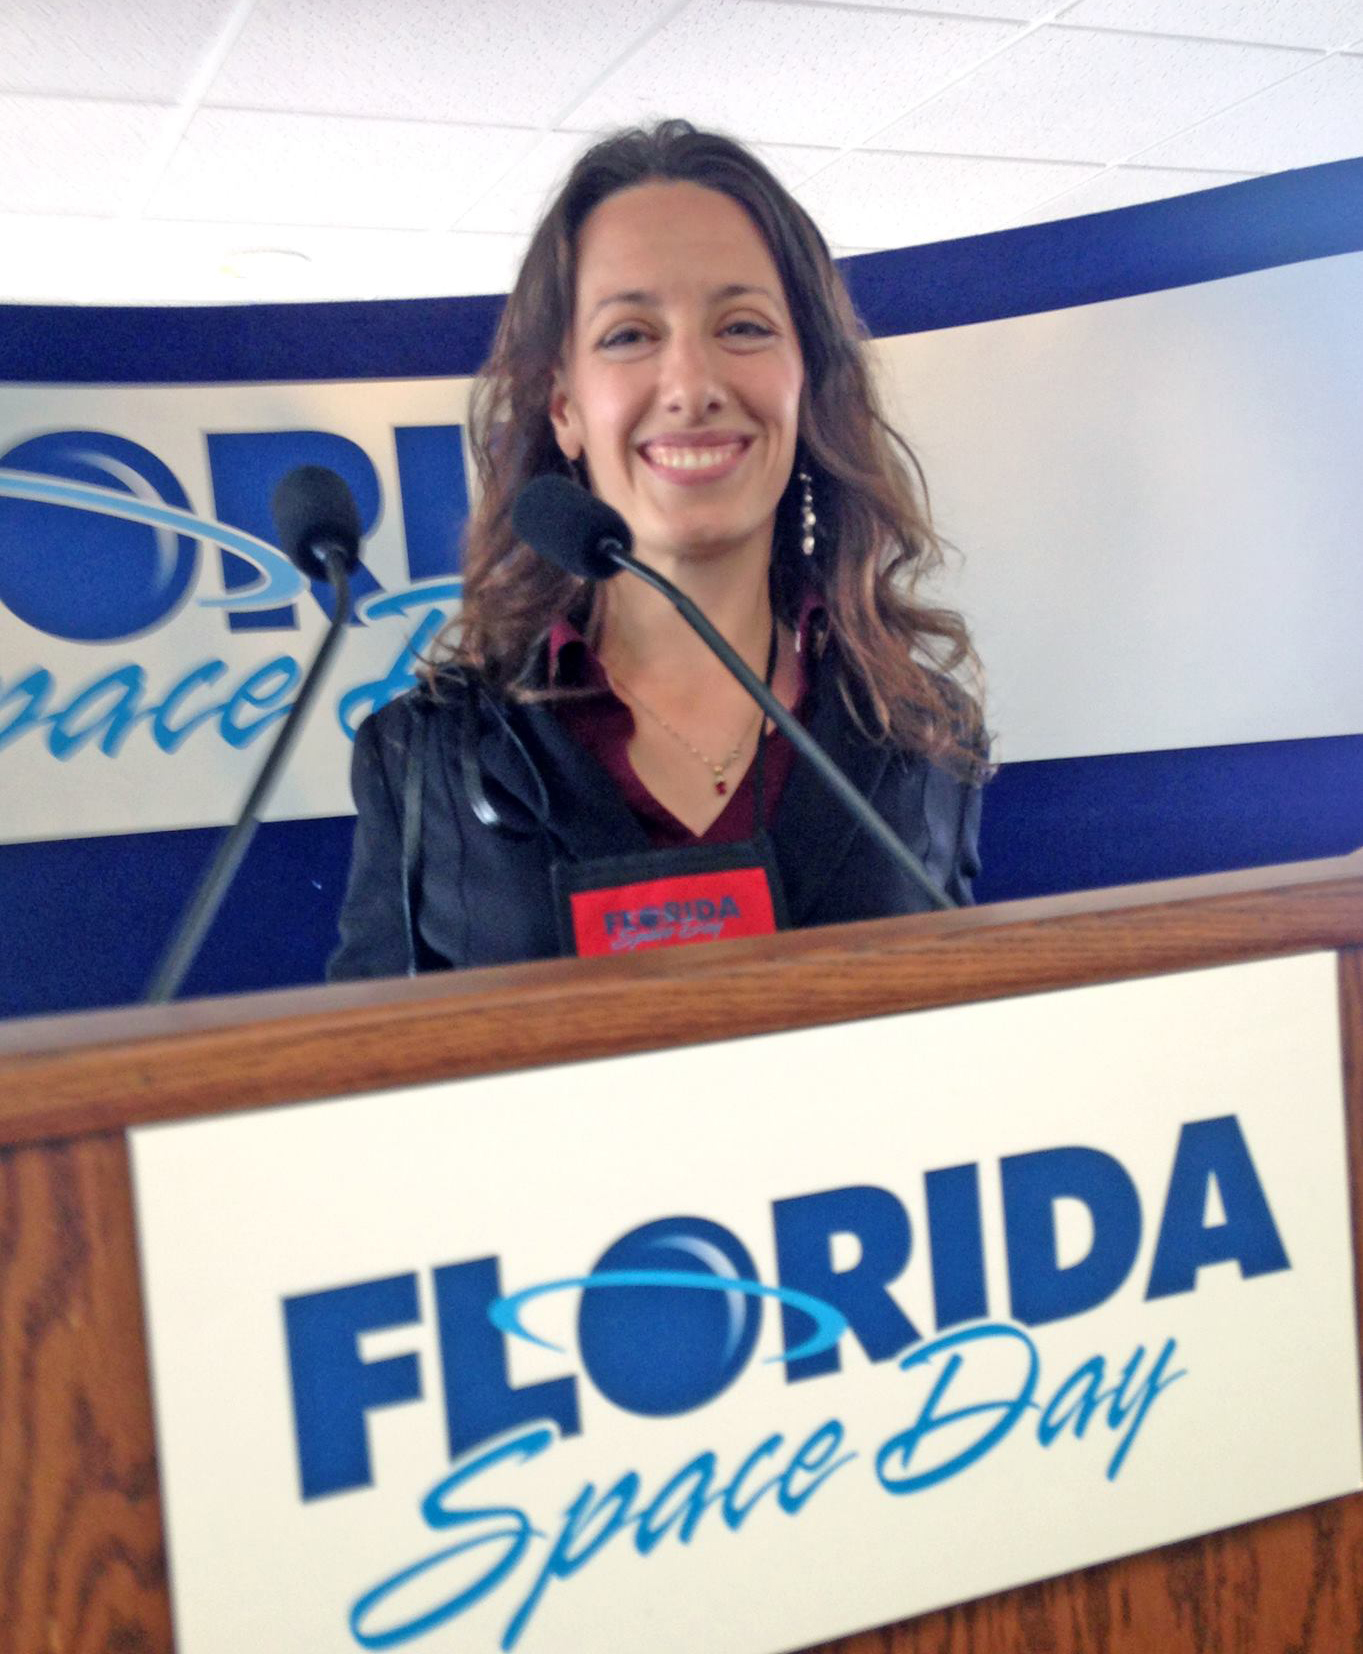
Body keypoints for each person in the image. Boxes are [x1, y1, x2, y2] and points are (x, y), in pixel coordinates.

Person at [329, 119, 987, 979]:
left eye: (744, 327)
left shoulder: (923, 733)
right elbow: (376, 1088)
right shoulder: (422, 760)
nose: (693, 387)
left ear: (807, 382)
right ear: (562, 405)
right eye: (629, 335)